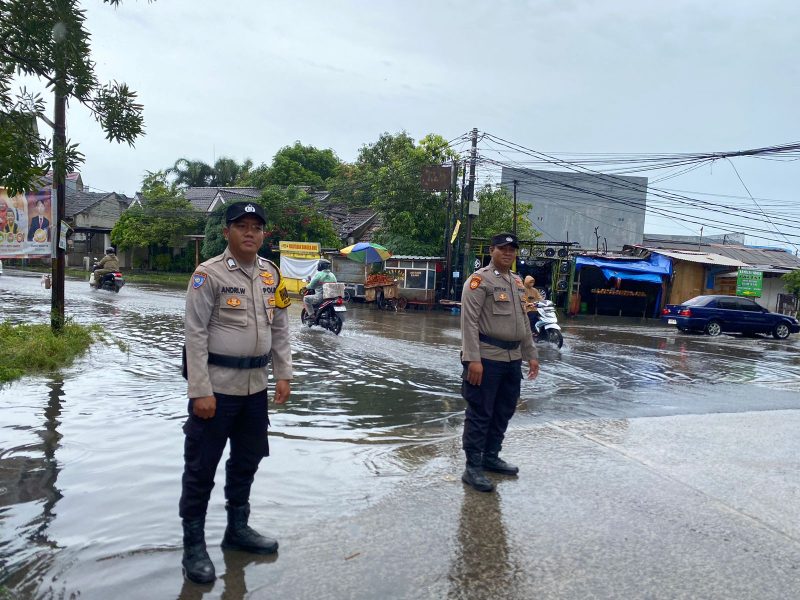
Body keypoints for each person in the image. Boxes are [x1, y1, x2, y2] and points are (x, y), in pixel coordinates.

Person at [180, 201, 292, 585]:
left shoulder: (271, 275)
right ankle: (193, 546)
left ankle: (236, 529)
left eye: (256, 227)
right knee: (201, 467)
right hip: (216, 388)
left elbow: (280, 327)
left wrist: (284, 374)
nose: (249, 233)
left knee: (247, 459)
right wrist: (200, 390)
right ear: (227, 231)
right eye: (241, 226)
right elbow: (194, 334)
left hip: (255, 388)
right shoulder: (207, 275)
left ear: (264, 234)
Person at [459, 232, 540, 493]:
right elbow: (469, 322)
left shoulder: (517, 283)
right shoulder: (479, 281)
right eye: (503, 249)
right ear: (491, 250)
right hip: (486, 358)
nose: (508, 253)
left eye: (512, 249)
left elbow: (524, 323)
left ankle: (491, 456)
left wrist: (532, 354)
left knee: (504, 410)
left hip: (512, 360)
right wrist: (472, 359)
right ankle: (473, 467)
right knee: (480, 412)